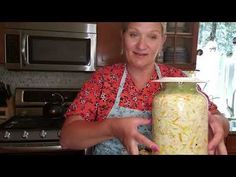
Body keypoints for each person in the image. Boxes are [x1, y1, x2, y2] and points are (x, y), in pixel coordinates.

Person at [60, 22, 229, 155]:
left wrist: (220, 124)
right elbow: (68, 138)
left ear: (162, 40)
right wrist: (112, 128)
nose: (142, 45)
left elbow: (216, 117)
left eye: (152, 37)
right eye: (134, 34)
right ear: (123, 36)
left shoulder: (177, 80)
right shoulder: (104, 79)